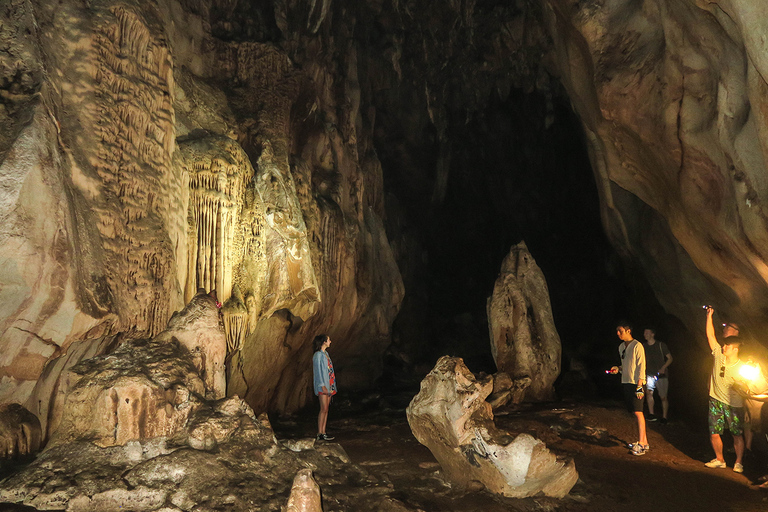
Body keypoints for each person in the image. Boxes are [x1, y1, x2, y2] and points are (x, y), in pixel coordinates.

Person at [704, 307, 745, 473]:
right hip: (715, 400)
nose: (724, 347)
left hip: (733, 404)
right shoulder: (718, 355)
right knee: (714, 432)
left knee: (736, 434)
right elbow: (710, 336)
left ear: (735, 348)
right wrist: (709, 316)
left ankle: (739, 462)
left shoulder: (741, 367)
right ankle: (719, 459)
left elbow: (748, 387)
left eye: (727, 346)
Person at [609, 322, 649, 455]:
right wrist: (618, 369)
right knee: (633, 411)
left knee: (638, 412)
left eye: (620, 331)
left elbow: (641, 366)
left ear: (628, 331)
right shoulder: (621, 347)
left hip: (637, 383)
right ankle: (645, 441)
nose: (618, 334)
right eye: (617, 331)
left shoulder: (637, 346)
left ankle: (642, 444)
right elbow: (626, 365)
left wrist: (639, 386)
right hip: (626, 381)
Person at [643, 328, 673, 423]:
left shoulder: (661, 345)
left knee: (663, 396)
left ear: (653, 334)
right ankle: (651, 414)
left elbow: (670, 358)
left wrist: (663, 367)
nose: (645, 334)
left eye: (647, 333)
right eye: (644, 333)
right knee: (649, 392)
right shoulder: (644, 346)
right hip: (649, 373)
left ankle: (664, 417)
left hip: (661, 375)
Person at [312, 334, 337, 441]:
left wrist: (332, 386)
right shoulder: (318, 355)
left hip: (329, 384)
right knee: (323, 409)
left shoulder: (326, 354)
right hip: (323, 386)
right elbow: (318, 371)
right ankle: (320, 433)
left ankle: (323, 432)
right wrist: (322, 385)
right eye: (329, 340)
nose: (330, 341)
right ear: (323, 342)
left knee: (326, 409)